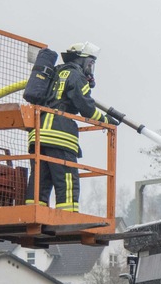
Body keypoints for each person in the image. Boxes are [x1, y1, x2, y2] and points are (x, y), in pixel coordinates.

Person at [25, 41, 108, 212]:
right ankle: (68, 217)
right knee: (67, 178)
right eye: (90, 64)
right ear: (82, 61)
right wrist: (106, 120)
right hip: (59, 134)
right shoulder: (75, 76)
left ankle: (32, 212)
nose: (91, 69)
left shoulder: (56, 73)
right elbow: (87, 108)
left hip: (39, 133)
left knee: (40, 179)